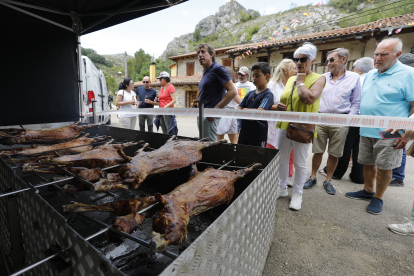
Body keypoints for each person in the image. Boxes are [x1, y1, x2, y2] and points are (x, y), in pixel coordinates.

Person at [345, 38, 414, 215]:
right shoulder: (371, 74)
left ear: (397, 55)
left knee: (385, 166)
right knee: (367, 162)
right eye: (376, 54)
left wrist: (406, 133)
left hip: (391, 131)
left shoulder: (408, 74)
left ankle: (378, 197)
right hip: (366, 128)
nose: (377, 58)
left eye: (384, 54)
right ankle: (368, 190)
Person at [275, 42, 326, 211]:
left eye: (302, 59)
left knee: (299, 162)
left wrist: (302, 82)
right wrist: (281, 105)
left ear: (311, 60)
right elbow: (286, 98)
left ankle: (297, 194)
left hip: (303, 125)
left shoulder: (319, 78)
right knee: (281, 159)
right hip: (285, 123)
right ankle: (282, 188)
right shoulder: (290, 78)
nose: (298, 62)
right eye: (296, 59)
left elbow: (309, 99)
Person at [304, 48, 361, 195]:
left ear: (343, 60)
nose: (328, 63)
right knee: (317, 151)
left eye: (331, 60)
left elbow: (356, 102)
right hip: (321, 118)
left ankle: (328, 180)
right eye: (327, 60)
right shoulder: (322, 77)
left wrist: (349, 120)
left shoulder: (354, 77)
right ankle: (313, 177)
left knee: (335, 153)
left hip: (341, 120)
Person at [320, 57, 374, 184]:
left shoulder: (356, 78)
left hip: (352, 116)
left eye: (355, 68)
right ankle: (358, 176)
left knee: (345, 146)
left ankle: (337, 173)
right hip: (367, 117)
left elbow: (353, 100)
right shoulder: (373, 78)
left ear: (359, 70)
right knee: (359, 147)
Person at [197, 43, 237, 141]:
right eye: (198, 53)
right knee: (204, 146)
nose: (200, 55)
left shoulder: (217, 69)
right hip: (203, 114)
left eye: (203, 52)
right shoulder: (206, 72)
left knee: (209, 148)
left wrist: (216, 110)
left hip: (210, 117)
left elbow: (232, 91)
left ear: (211, 54)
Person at [267, 59, 297, 186]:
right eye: (294, 68)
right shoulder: (272, 85)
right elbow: (267, 104)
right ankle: (272, 175)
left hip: (290, 121)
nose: (297, 70)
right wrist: (277, 107)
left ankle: (288, 175)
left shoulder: (295, 84)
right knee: (272, 149)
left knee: (290, 151)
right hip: (274, 123)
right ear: (285, 71)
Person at [388, 53, 414, 187]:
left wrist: (407, 128)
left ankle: (398, 177)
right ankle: (396, 175)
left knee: (399, 146)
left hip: (403, 121)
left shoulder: (409, 77)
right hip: (399, 121)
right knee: (398, 146)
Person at [237, 62, 274, 147]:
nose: (254, 78)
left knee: (257, 159)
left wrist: (245, 110)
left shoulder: (268, 95)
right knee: (241, 157)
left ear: (267, 76)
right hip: (244, 133)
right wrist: (249, 113)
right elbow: (238, 109)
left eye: (257, 76)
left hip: (258, 136)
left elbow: (259, 113)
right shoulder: (250, 93)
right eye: (253, 76)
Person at [217, 67, 241, 143]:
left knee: (219, 139)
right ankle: (234, 154)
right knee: (234, 140)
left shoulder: (219, 86)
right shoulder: (233, 85)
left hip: (221, 113)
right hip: (231, 114)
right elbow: (239, 101)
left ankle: (219, 154)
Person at [235, 66, 256, 132]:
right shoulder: (235, 85)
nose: (240, 76)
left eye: (242, 75)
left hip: (248, 112)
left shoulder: (252, 85)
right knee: (236, 130)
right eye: (239, 74)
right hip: (237, 112)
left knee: (247, 131)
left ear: (247, 75)